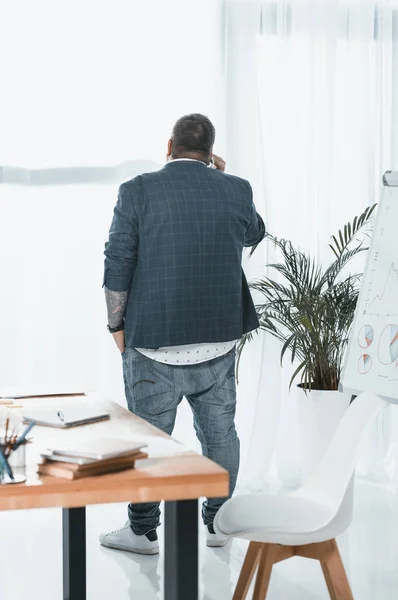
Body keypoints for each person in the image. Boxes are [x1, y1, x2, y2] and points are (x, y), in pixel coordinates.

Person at [100, 113, 265, 555]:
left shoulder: (137, 190)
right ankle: (219, 524)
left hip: (154, 343)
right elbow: (255, 232)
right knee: (220, 434)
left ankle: (143, 531)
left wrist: (116, 324)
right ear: (211, 153)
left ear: (169, 145)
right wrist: (224, 180)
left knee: (150, 441)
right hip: (218, 340)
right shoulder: (236, 188)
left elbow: (118, 263)